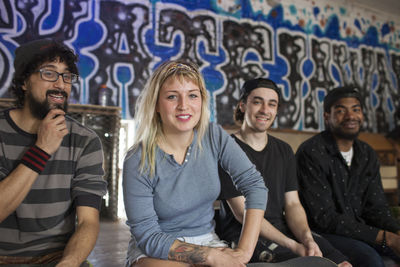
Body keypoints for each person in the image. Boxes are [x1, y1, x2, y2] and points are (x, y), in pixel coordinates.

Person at [123, 60, 268, 267]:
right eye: (172, 96)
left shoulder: (213, 135)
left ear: (202, 100)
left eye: (192, 95)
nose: (184, 105)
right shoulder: (137, 158)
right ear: (156, 104)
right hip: (157, 249)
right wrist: (210, 257)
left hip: (207, 241)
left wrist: (244, 252)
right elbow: (148, 236)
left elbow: (255, 185)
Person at [217, 78, 350, 267]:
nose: (265, 110)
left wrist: (306, 238)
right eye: (257, 102)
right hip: (244, 235)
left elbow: (293, 204)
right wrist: (294, 246)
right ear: (242, 106)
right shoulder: (227, 149)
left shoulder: (284, 150)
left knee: (341, 261)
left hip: (283, 230)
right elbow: (242, 213)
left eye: (272, 104)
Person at [0, 39, 107, 266]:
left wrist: (69, 262)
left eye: (66, 76)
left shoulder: (85, 140)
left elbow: (88, 221)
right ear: (24, 82)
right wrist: (42, 150)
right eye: (49, 73)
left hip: (56, 258)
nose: (61, 84)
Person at [296, 86, 400, 267]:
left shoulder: (366, 153)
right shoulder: (311, 152)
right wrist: (386, 238)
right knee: (370, 259)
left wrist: (397, 232)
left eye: (356, 109)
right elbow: (324, 218)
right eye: (341, 110)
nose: (350, 116)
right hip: (323, 233)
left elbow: (377, 207)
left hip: (359, 229)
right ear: (327, 116)